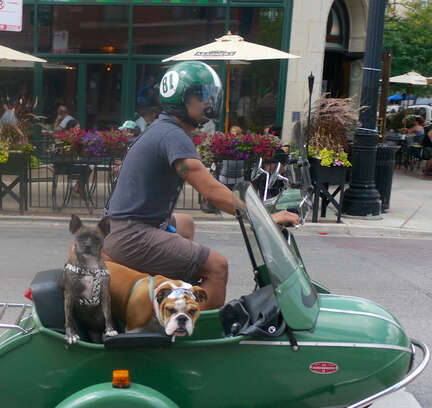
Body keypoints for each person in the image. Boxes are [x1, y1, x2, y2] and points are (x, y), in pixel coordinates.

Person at [102, 61, 299, 311]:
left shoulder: (164, 129)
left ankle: (176, 293)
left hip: (122, 226)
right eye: (203, 95)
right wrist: (264, 219)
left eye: (211, 95)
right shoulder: (173, 135)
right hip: (132, 234)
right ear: (182, 99)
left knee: (186, 223)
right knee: (217, 266)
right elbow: (211, 191)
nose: (210, 101)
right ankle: (195, 325)